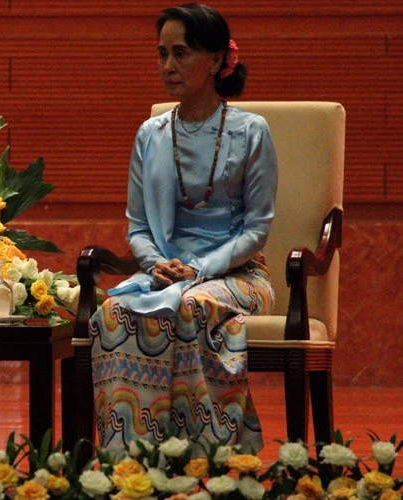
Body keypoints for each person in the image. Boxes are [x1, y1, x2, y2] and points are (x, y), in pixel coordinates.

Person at [90, 3, 278, 453]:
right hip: (165, 272)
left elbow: (258, 228)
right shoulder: (151, 134)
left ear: (215, 61)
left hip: (239, 276)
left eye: (181, 53)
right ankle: (135, 458)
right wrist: (158, 265)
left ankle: (209, 455)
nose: (168, 66)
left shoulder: (252, 131)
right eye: (162, 54)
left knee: (191, 307)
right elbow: (136, 227)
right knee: (112, 314)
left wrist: (197, 270)